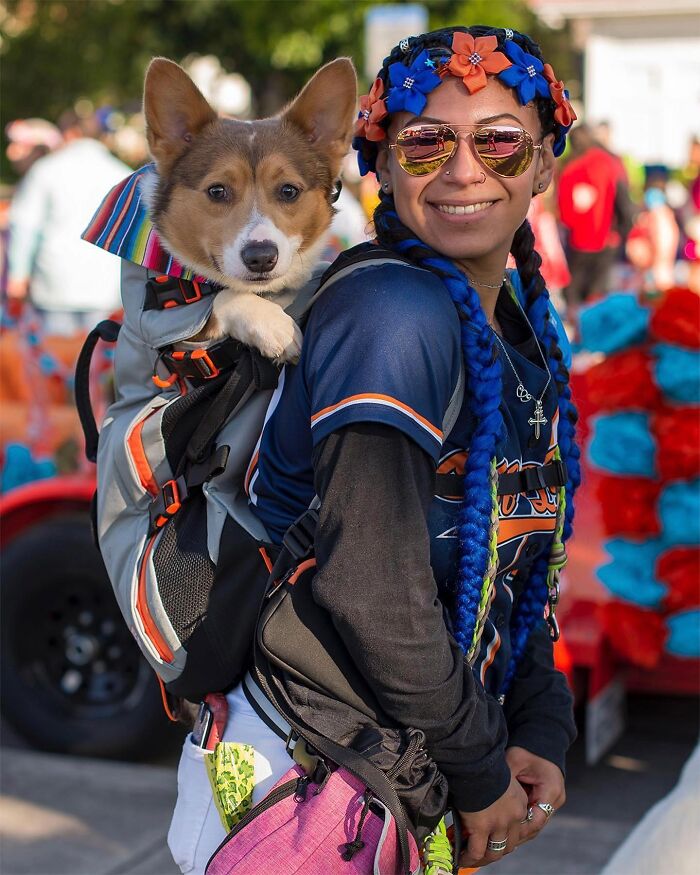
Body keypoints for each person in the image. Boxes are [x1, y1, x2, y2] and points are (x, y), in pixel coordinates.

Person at [168, 25, 580, 874]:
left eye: (501, 141)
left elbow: (520, 553)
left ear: (544, 163)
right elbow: (369, 583)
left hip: (399, 769)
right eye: (425, 142)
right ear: (378, 165)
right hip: (307, 783)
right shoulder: (392, 313)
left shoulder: (519, 329)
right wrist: (478, 763)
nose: (464, 170)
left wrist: (538, 724)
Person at [6, 109, 130, 336]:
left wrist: (18, 276)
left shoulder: (45, 170)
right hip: (106, 286)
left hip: (54, 285)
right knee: (99, 364)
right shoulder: (123, 174)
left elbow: (25, 227)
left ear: (70, 133)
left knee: (55, 364)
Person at [557, 123, 632, 309]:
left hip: (578, 241)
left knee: (575, 295)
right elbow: (623, 200)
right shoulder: (610, 162)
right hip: (606, 239)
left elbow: (564, 212)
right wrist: (623, 232)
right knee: (597, 297)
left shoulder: (569, 167)